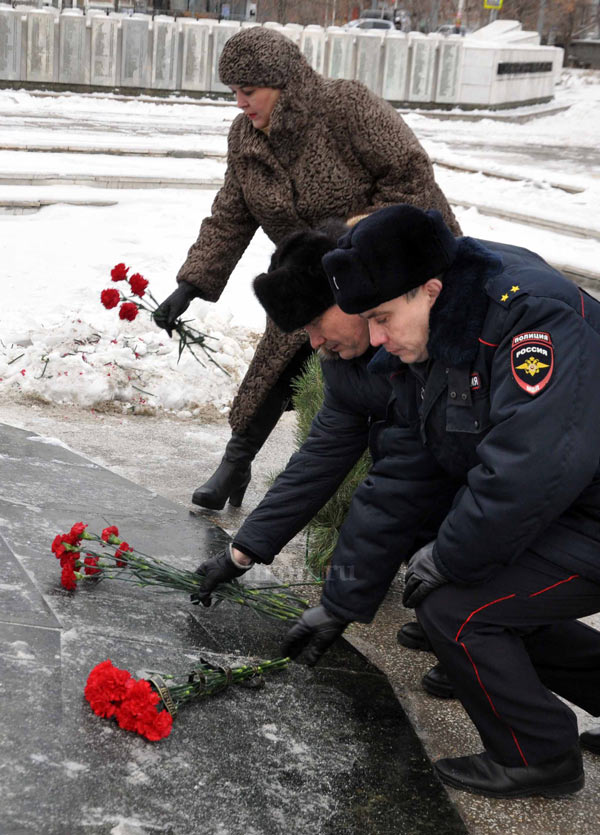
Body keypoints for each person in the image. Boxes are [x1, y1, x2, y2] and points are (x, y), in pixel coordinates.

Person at [285, 202, 600, 798]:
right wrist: (342, 601)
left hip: (579, 502)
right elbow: (408, 474)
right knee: (490, 600)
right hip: (576, 501)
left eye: (381, 318)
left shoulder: (529, 321)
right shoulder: (438, 337)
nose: (375, 339)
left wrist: (448, 556)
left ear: (429, 290)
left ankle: (539, 757)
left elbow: (527, 469)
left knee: (459, 607)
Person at [153, 25, 460, 511]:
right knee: (280, 351)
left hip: (387, 268)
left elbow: (410, 175)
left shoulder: (345, 106)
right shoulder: (246, 138)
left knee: (393, 381)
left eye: (248, 91)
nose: (239, 103)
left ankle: (395, 489)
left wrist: (352, 237)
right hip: (310, 276)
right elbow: (231, 213)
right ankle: (237, 461)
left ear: (283, 83)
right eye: (234, 92)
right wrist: (190, 285)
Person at [191, 221, 457, 663]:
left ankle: (478, 633)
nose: (316, 344)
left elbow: (401, 481)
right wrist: (241, 551)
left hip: (507, 480)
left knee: (446, 549)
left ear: (351, 294)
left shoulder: (416, 340)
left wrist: (340, 603)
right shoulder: (344, 361)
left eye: (316, 322)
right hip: (451, 475)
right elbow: (319, 459)